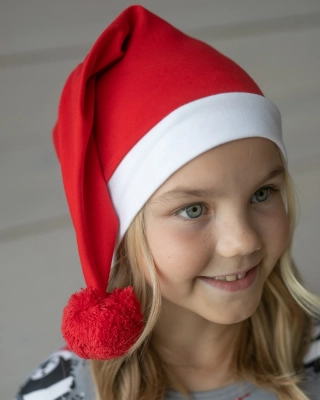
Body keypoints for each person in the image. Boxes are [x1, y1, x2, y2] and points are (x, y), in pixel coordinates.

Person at [15, 5, 320, 400]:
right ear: (122, 231)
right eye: (193, 209)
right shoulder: (60, 391)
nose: (243, 241)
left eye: (262, 193)